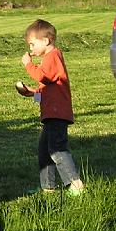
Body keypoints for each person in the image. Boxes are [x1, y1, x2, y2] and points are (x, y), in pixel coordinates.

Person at [19, 19, 85, 196]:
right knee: (44, 152)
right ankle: (48, 187)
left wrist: (28, 64)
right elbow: (48, 87)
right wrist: (33, 93)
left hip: (57, 113)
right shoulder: (50, 58)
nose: (31, 49)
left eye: (32, 44)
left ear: (46, 41)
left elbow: (43, 77)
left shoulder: (53, 56)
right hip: (51, 113)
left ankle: (75, 184)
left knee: (57, 149)